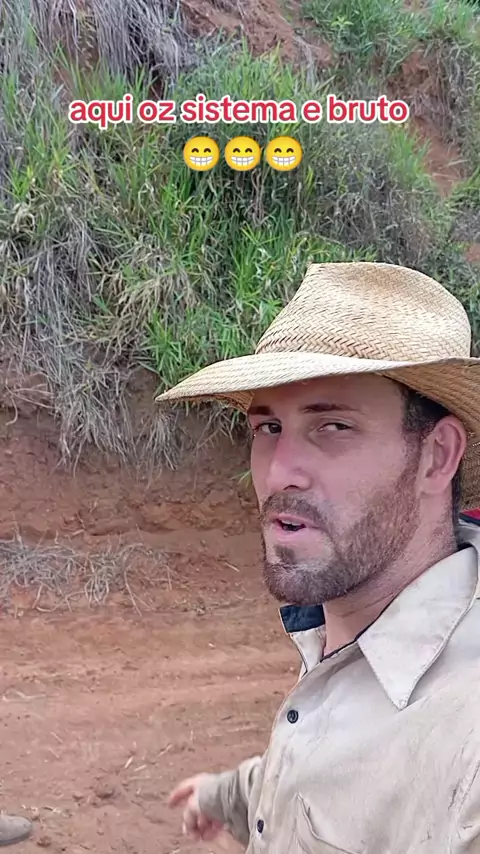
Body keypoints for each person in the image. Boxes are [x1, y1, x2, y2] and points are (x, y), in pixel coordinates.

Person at [157, 262, 480, 853]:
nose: (279, 472)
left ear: (437, 457)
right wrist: (224, 794)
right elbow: (328, 763)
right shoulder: (351, 620)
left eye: (333, 426)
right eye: (268, 428)